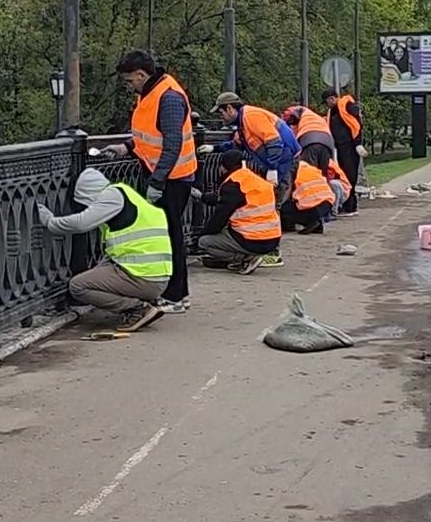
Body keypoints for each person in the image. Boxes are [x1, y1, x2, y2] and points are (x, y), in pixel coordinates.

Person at [37, 167, 172, 331]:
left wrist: (50, 221)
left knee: (78, 286)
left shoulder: (111, 198)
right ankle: (144, 301)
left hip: (143, 277)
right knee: (97, 273)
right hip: (155, 275)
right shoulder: (126, 193)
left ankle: (137, 309)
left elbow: (81, 223)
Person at [113, 50, 196, 313]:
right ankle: (172, 293)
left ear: (141, 74)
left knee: (171, 236)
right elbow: (149, 134)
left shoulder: (168, 97)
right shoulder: (151, 92)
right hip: (163, 174)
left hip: (172, 178)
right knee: (166, 234)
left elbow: (172, 144)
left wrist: (157, 182)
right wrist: (127, 147)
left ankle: (177, 295)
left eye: (129, 81)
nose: (129, 86)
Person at [194, 148, 281, 273]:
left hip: (251, 239)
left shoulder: (233, 184)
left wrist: (200, 235)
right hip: (272, 238)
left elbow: (218, 219)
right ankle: (248, 256)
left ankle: (244, 259)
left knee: (205, 242)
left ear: (223, 167)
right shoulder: (254, 180)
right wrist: (203, 197)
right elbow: (227, 199)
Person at [214, 92, 299, 203]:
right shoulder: (243, 122)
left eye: (221, 113)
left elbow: (274, 142)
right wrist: (214, 148)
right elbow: (237, 145)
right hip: (279, 160)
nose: (222, 118)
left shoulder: (250, 116)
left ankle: (276, 219)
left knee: (277, 198)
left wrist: (272, 169)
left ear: (229, 108)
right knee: (272, 197)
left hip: (284, 160)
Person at [324, 86, 367, 214]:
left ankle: (351, 206)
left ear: (332, 99)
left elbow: (357, 123)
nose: (327, 105)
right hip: (340, 147)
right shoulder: (333, 111)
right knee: (343, 175)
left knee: (349, 175)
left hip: (350, 146)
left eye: (327, 101)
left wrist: (358, 143)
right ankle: (345, 203)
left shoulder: (347, 104)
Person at [283, 159, 334, 234]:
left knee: (283, 208)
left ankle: (309, 222)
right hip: (328, 202)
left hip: (311, 204)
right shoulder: (308, 167)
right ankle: (317, 225)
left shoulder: (290, 170)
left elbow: (285, 193)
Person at [283, 104, 336, 170]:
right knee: (322, 173)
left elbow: (292, 140)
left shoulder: (297, 113)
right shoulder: (314, 116)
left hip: (310, 141)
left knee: (309, 172)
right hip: (327, 142)